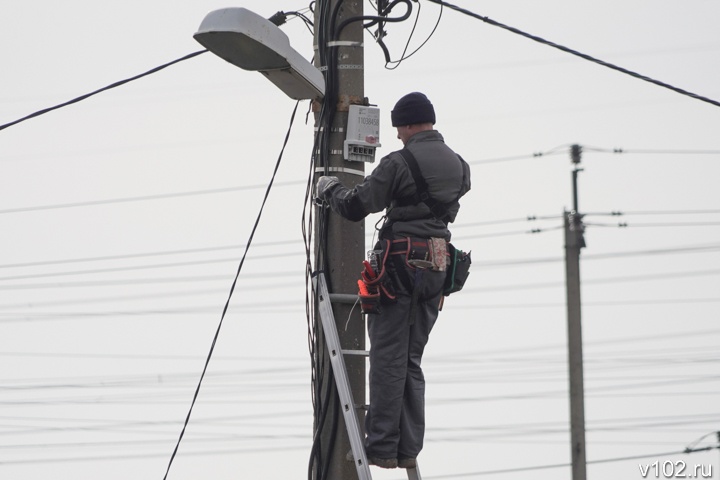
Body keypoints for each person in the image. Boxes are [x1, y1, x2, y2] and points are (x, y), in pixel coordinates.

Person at [316, 92, 471, 469]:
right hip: (438, 265)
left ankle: (383, 447)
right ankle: (407, 449)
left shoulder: (399, 162)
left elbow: (356, 205)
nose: (397, 136)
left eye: (398, 129)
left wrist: (329, 189)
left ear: (404, 125)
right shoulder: (460, 166)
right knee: (410, 360)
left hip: (401, 266)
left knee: (387, 357)